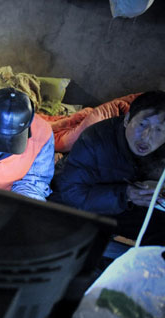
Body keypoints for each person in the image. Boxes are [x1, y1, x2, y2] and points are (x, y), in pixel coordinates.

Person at [51, 90, 165, 245]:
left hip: (127, 201)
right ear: (127, 119)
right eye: (142, 124)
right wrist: (126, 193)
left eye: (159, 129)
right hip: (84, 203)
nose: (147, 136)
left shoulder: (160, 147)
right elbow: (72, 193)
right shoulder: (94, 141)